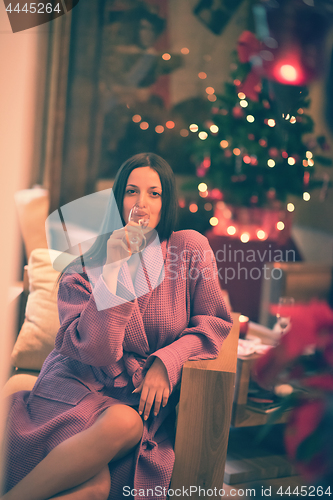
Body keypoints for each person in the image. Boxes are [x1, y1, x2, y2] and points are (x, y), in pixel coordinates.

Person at [2, 153, 232, 500]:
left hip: (136, 401)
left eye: (154, 193)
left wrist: (165, 363)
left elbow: (214, 324)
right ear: (117, 200)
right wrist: (114, 267)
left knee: (98, 484)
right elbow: (96, 350)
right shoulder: (85, 264)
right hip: (76, 389)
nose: (142, 203)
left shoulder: (189, 248)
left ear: (166, 200)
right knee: (103, 471)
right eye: (131, 191)